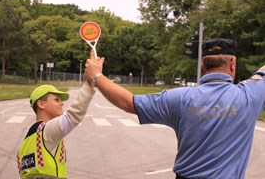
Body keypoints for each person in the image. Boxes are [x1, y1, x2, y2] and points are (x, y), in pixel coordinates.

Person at [85, 39, 265, 179]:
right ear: (233, 64)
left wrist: (97, 76)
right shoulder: (250, 95)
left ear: (202, 65)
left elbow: (128, 103)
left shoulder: (178, 98)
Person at [17, 62, 95, 178]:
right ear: (41, 104)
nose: (62, 103)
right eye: (56, 100)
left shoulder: (26, 142)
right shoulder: (46, 130)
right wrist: (89, 82)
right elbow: (73, 116)